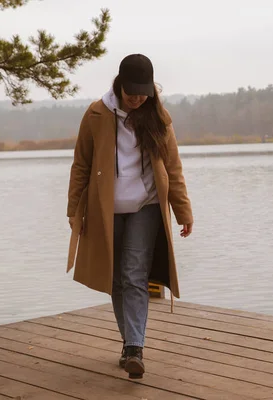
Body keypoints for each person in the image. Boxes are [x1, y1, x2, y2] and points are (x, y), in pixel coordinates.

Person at [66, 53, 193, 380]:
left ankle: (135, 347)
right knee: (115, 278)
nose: (137, 99)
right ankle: (128, 344)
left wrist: (183, 211)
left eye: (143, 93)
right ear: (119, 85)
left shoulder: (159, 118)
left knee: (134, 274)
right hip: (105, 211)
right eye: (131, 93)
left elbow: (173, 169)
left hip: (146, 208)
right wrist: (74, 213)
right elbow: (81, 165)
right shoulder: (95, 114)